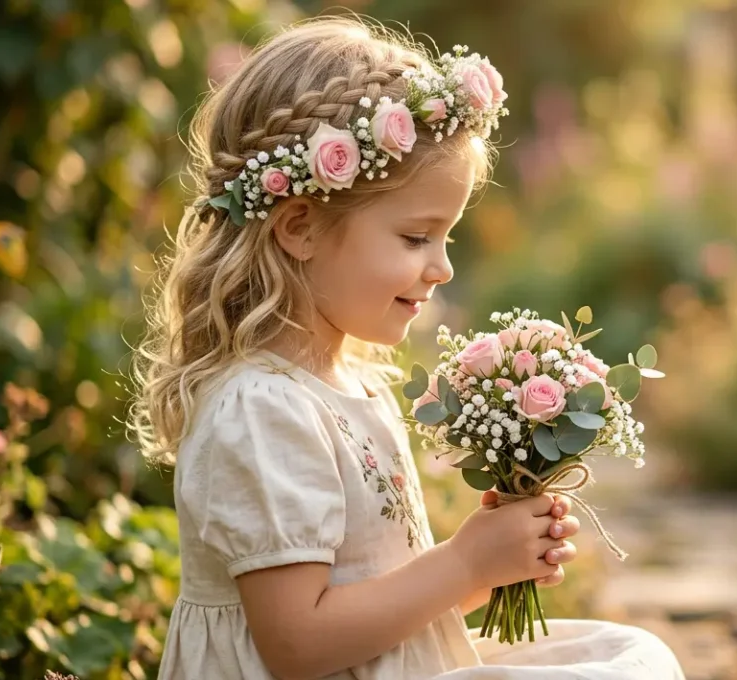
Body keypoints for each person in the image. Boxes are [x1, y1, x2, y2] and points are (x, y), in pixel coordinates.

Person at [128, 14, 685, 680]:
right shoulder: (260, 409)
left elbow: (384, 596)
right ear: (299, 226)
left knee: (631, 656)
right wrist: (463, 562)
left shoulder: (349, 386)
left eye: (446, 237)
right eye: (416, 237)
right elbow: (298, 645)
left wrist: (496, 560)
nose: (442, 267)